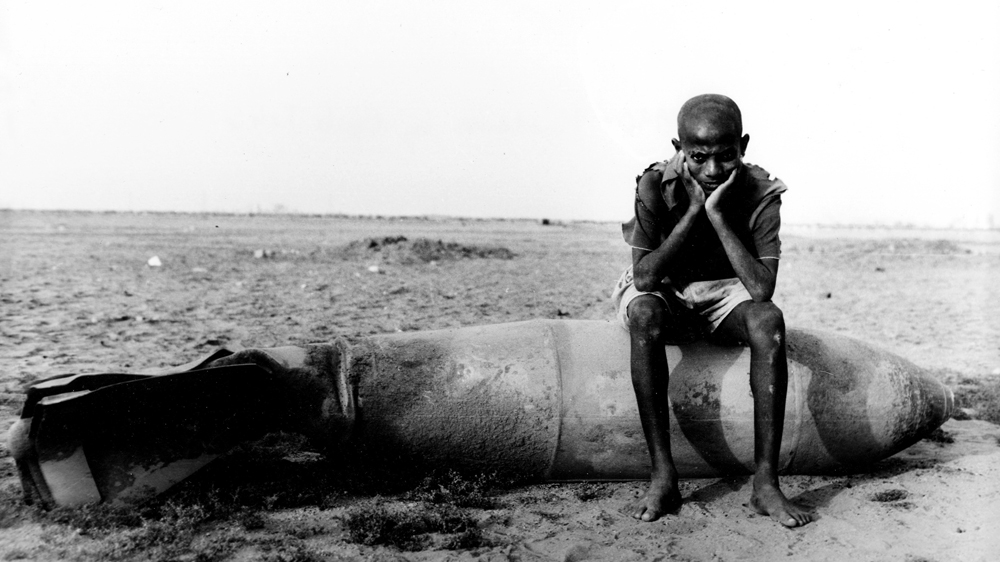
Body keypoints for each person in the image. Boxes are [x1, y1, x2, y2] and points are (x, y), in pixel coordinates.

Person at [611, 94, 813, 527]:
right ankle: (663, 473)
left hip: (727, 294)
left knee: (769, 321)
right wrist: (691, 213)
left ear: (743, 144)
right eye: (698, 157)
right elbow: (644, 278)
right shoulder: (653, 184)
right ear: (678, 147)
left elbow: (760, 289)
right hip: (665, 290)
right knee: (644, 313)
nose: (712, 170)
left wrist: (718, 216)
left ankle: (765, 483)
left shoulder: (761, 190)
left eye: (726, 157)